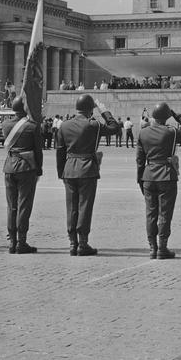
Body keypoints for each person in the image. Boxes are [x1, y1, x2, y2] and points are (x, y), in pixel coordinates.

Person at [55, 94, 120, 256]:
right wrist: (104, 111)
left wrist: (61, 173)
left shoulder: (64, 125)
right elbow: (114, 127)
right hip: (87, 169)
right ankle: (82, 243)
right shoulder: (93, 125)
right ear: (91, 110)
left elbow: (60, 152)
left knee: (71, 207)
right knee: (85, 206)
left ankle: (72, 243)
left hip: (69, 169)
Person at [136, 102, 181, 259]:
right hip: (166, 175)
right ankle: (162, 247)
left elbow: (140, 160)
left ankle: (152, 248)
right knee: (165, 213)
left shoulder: (143, 133)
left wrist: (140, 180)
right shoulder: (171, 132)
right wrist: (180, 118)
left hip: (148, 175)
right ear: (167, 117)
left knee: (150, 213)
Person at [1, 97, 43, 254]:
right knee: (24, 205)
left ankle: (12, 242)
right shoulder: (32, 127)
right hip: (26, 168)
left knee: (11, 206)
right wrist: (38, 170)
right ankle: (21, 242)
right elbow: (38, 151)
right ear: (25, 109)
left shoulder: (5, 124)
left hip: (9, 167)